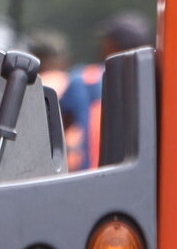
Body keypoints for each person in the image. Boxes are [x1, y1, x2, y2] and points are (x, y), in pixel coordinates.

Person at [61, 11, 150, 172]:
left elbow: (58, 127)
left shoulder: (85, 79)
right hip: (136, 180)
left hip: (87, 178)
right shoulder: (150, 85)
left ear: (111, 45)